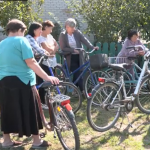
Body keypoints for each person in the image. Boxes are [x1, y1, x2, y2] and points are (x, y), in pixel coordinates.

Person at [0, 19, 59, 148]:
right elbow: (31, 62)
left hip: (4, 82)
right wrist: (47, 76)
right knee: (31, 110)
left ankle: (6, 141)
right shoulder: (22, 41)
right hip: (23, 81)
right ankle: (37, 142)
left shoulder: (1, 43)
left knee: (8, 110)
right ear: (21, 30)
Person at [59, 18, 98, 92]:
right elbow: (63, 48)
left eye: (74, 27)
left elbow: (85, 40)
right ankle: (83, 91)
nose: (74, 29)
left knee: (79, 73)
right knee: (77, 73)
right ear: (67, 27)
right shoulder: (63, 35)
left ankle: (74, 90)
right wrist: (73, 50)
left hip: (79, 56)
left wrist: (92, 47)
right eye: (72, 27)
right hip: (70, 57)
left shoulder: (77, 33)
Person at [26, 22, 50, 109]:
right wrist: (45, 52)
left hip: (35, 62)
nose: (41, 31)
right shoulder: (29, 38)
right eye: (40, 29)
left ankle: (40, 102)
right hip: (30, 64)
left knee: (39, 82)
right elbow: (39, 50)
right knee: (37, 82)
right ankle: (37, 103)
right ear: (34, 30)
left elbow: (39, 50)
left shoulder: (35, 39)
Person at [37, 20, 59, 104]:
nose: (51, 31)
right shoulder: (40, 38)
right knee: (45, 82)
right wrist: (52, 49)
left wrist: (52, 49)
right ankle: (43, 101)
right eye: (50, 28)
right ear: (45, 27)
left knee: (51, 82)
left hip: (52, 62)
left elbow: (56, 45)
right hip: (45, 63)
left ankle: (49, 99)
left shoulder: (50, 36)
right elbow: (46, 48)